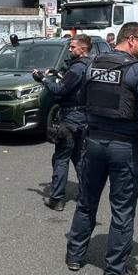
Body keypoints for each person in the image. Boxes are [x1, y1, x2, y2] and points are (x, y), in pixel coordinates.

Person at [66, 22, 138, 275]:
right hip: (124, 146)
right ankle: (113, 272)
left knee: (87, 203)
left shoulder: (94, 64)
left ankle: (75, 256)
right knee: (122, 210)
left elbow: (83, 98)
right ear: (131, 40)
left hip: (94, 142)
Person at [36, 34, 92, 211]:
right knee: (79, 157)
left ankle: (57, 198)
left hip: (70, 119)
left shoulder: (76, 69)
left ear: (83, 50)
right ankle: (85, 194)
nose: (70, 50)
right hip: (84, 118)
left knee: (61, 158)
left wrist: (42, 79)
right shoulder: (90, 66)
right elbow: (73, 85)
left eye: (73, 47)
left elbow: (59, 90)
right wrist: (59, 74)